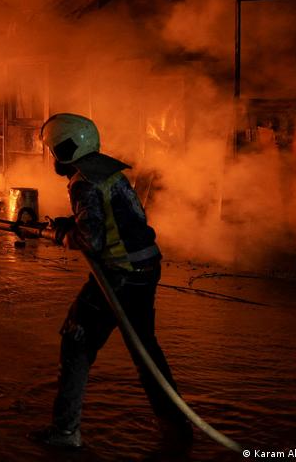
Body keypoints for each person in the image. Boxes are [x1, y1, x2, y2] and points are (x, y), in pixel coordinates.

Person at [29, 113, 191, 449]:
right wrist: (69, 223)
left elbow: (93, 240)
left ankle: (65, 432)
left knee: (76, 340)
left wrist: (67, 236)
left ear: (64, 149)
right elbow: (116, 218)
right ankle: (178, 432)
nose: (52, 158)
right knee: (146, 352)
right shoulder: (107, 171)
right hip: (143, 270)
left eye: (52, 150)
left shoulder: (83, 182)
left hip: (119, 276)